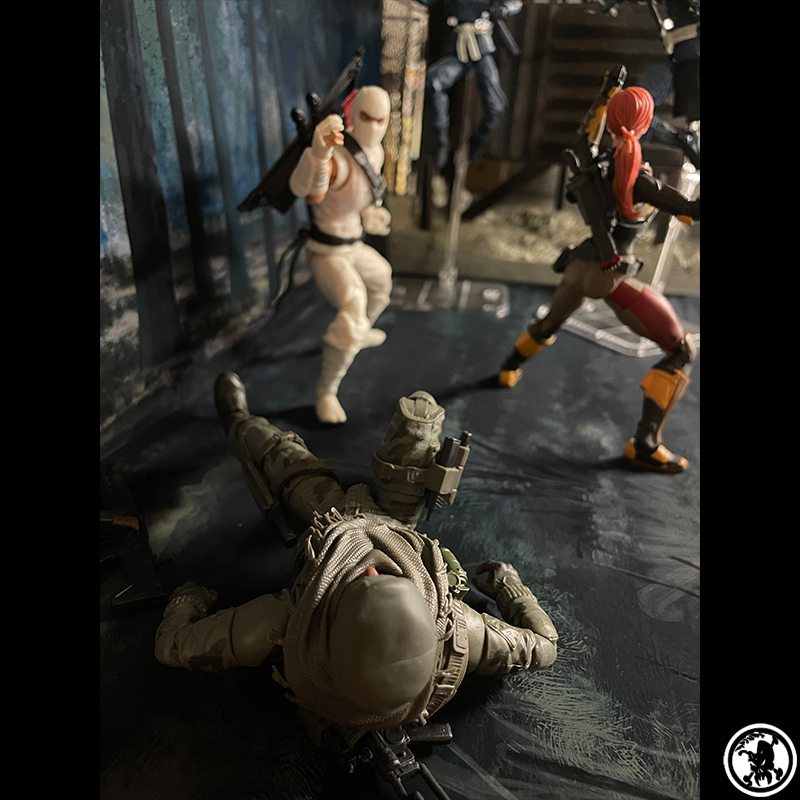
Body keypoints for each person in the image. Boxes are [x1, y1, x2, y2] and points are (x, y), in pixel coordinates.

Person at [155, 372, 558, 747]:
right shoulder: (461, 631)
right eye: (390, 577)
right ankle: (242, 423)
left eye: (361, 584)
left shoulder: (281, 626)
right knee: (419, 418)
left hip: (331, 521)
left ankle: (238, 420)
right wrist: (510, 589)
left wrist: (188, 600)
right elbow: (543, 646)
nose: (370, 565)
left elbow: (172, 646)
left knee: (280, 456)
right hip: (397, 524)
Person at [497, 87, 700, 474]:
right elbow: (692, 210)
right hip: (610, 278)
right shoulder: (637, 177)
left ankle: (508, 367)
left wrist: (605, 96)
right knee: (681, 350)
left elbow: (584, 135)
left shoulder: (596, 161)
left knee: (551, 321)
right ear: (644, 124)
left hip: (579, 269)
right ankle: (644, 444)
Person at [288, 86, 394, 425]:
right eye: (367, 117)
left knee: (382, 279)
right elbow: (310, 194)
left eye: (381, 120)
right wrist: (318, 156)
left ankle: (361, 332)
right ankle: (326, 392)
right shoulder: (336, 158)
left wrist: (369, 215)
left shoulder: (375, 153)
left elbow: (362, 194)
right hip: (327, 252)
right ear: (353, 115)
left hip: (354, 243)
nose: (374, 126)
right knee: (353, 303)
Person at [415, 0, 522, 170]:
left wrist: (505, 9)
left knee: (496, 106)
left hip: (482, 48)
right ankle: (442, 139)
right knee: (434, 82)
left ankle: (479, 140)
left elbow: (516, 3)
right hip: (460, 48)